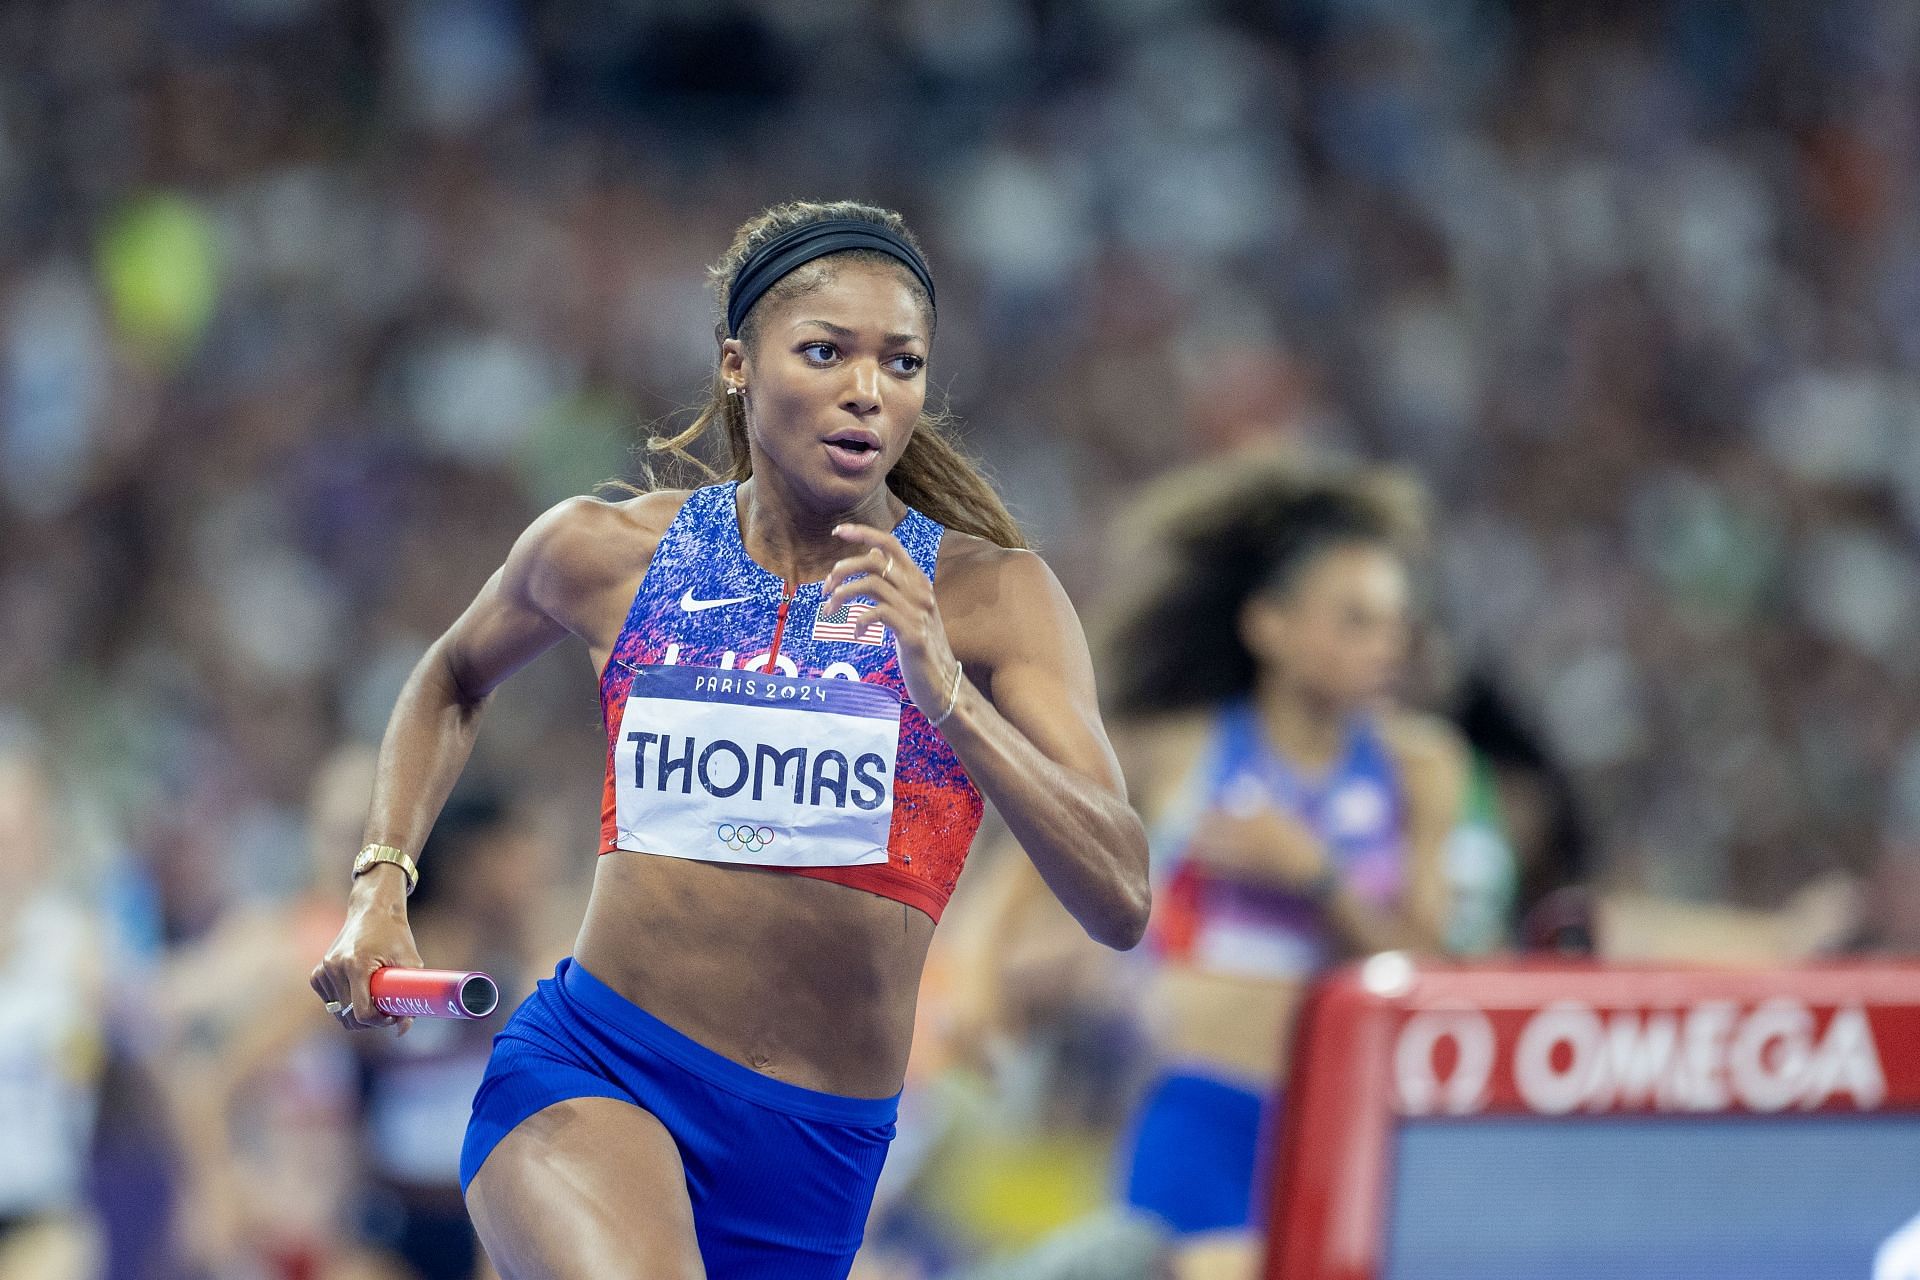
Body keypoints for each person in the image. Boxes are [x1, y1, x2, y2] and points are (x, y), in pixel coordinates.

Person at [310, 199, 1151, 1280]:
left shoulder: (992, 599)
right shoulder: (607, 551)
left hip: (816, 1153)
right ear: (737, 365)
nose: (866, 389)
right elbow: (450, 676)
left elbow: (1121, 893)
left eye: (901, 363)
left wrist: (947, 695)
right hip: (598, 1070)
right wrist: (382, 881)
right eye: (824, 351)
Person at [980, 449, 1466, 1280]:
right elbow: (1007, 918)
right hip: (1197, 1119)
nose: (1385, 646)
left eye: (1394, 623)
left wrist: (1316, 877)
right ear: (1268, 626)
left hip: (1347, 1123)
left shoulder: (1421, 768)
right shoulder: (1177, 752)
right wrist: (1030, 998)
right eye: (1355, 620)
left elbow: (1428, 975)